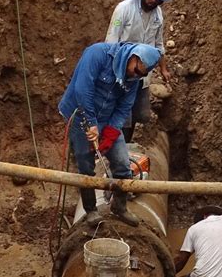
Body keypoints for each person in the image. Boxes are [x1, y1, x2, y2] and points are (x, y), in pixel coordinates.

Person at [58, 42, 161, 227]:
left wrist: (111, 132)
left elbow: (124, 108)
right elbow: (83, 89)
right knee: (85, 165)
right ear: (133, 57)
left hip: (106, 119)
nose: (136, 76)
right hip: (80, 114)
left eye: (142, 75)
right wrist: (91, 123)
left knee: (123, 164)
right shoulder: (97, 54)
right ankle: (90, 211)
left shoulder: (133, 80)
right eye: (137, 71)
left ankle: (119, 207)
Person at [105, 0, 172, 143]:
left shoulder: (158, 15)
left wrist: (163, 69)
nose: (154, 1)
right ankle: (115, 146)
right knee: (122, 113)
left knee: (139, 113)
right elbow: (112, 40)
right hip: (124, 71)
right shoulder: (124, 9)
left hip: (142, 74)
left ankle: (126, 144)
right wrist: (111, 71)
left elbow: (159, 44)